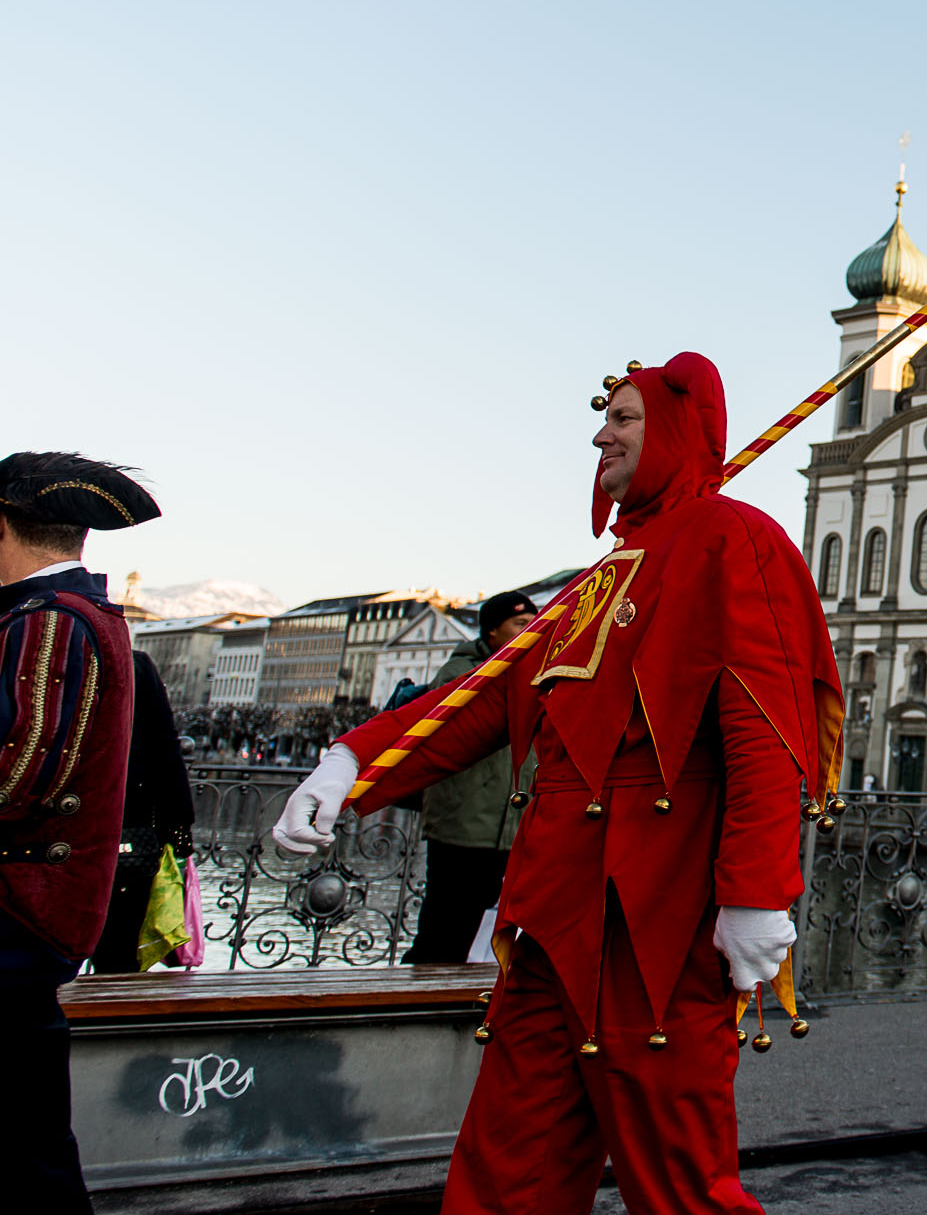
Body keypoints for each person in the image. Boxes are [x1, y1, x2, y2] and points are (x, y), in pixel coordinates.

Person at [272, 354, 844, 1215]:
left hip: (658, 917)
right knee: (512, 1159)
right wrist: (354, 764)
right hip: (552, 915)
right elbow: (483, 701)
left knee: (679, 1182)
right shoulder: (599, 579)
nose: (599, 433)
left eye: (623, 417)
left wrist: (758, 892)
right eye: (603, 416)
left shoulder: (735, 538)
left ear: (677, 431)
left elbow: (766, 730)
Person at [0, 452, 161, 1214]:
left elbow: (23, 770)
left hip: (16, 910)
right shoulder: (70, 613)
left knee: (26, 1139)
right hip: (31, 910)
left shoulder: (51, 620)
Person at [393, 589, 540, 964]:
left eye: (534, 623)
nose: (532, 630)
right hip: (463, 826)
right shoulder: (462, 674)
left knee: (506, 930)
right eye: (521, 624)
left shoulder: (533, 671)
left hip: (512, 827)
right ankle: (419, 1005)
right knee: (445, 932)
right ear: (491, 633)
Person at [90, 649, 197, 973]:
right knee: (118, 950)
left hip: (107, 830)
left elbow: (164, 745)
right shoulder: (132, 661)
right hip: (127, 832)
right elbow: (164, 746)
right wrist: (177, 831)